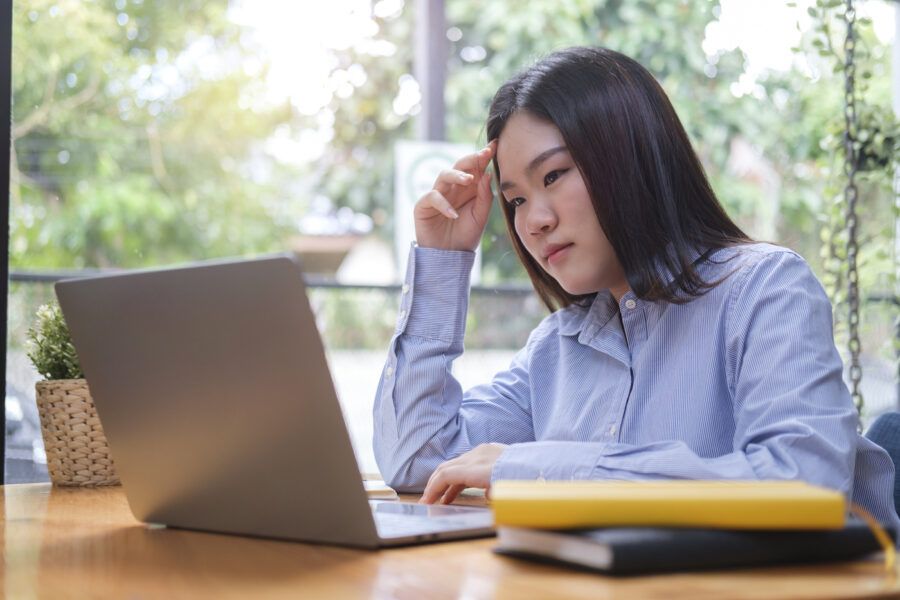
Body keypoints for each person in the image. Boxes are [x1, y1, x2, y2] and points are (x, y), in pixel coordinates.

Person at [372, 46, 899, 526]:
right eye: (514, 201)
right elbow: (418, 462)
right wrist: (442, 261)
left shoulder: (765, 290)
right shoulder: (559, 349)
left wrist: (540, 467)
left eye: (553, 176)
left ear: (629, 155)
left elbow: (805, 488)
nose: (533, 221)